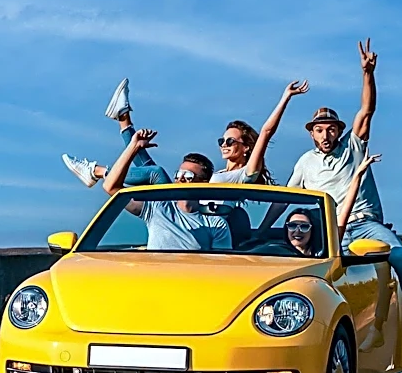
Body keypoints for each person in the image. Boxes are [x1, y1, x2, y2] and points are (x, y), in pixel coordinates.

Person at [264, 39, 402, 358]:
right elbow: (287, 200)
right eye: (320, 130)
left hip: (366, 225)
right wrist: (263, 227)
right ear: (311, 133)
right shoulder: (305, 162)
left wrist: (367, 74)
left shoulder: (353, 147)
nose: (326, 135)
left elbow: (367, 110)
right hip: (333, 232)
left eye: (331, 129)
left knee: (398, 257)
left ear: (338, 130)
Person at [61, 78, 309, 187]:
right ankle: (123, 119)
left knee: (155, 172)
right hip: (185, 205)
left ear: (246, 148)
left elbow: (265, 133)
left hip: (195, 218)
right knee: (145, 159)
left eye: (231, 141)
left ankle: (97, 171)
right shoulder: (221, 172)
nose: (224, 144)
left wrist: (285, 97)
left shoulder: (246, 175)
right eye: (222, 140)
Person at [102, 127, 231, 252]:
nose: (180, 179)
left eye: (187, 176)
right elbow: (111, 187)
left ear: (203, 183)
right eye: (178, 174)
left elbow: (221, 265)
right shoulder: (157, 208)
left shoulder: (215, 224)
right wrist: (134, 147)